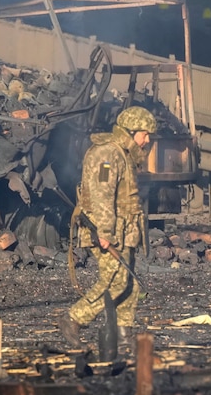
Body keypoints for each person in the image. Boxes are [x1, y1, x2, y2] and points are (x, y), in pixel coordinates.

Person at [59, 106, 158, 349]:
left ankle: (123, 332)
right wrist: (105, 233)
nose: (147, 140)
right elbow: (102, 195)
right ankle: (73, 318)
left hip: (124, 231)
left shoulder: (122, 154)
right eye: (144, 134)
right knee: (115, 280)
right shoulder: (107, 155)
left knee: (129, 283)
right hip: (106, 231)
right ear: (131, 131)